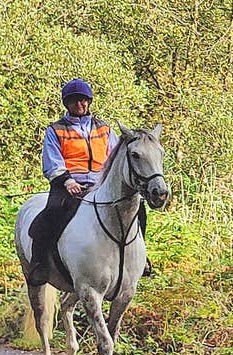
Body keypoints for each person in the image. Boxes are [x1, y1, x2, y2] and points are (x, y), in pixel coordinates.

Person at [28, 79, 150, 281]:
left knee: (139, 208)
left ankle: (141, 257)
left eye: (83, 100)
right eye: (75, 101)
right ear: (67, 104)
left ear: (89, 101)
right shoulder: (56, 130)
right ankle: (40, 263)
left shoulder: (104, 128)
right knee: (51, 213)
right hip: (69, 184)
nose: (80, 105)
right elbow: (52, 160)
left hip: (100, 183)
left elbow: (115, 157)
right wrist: (67, 181)